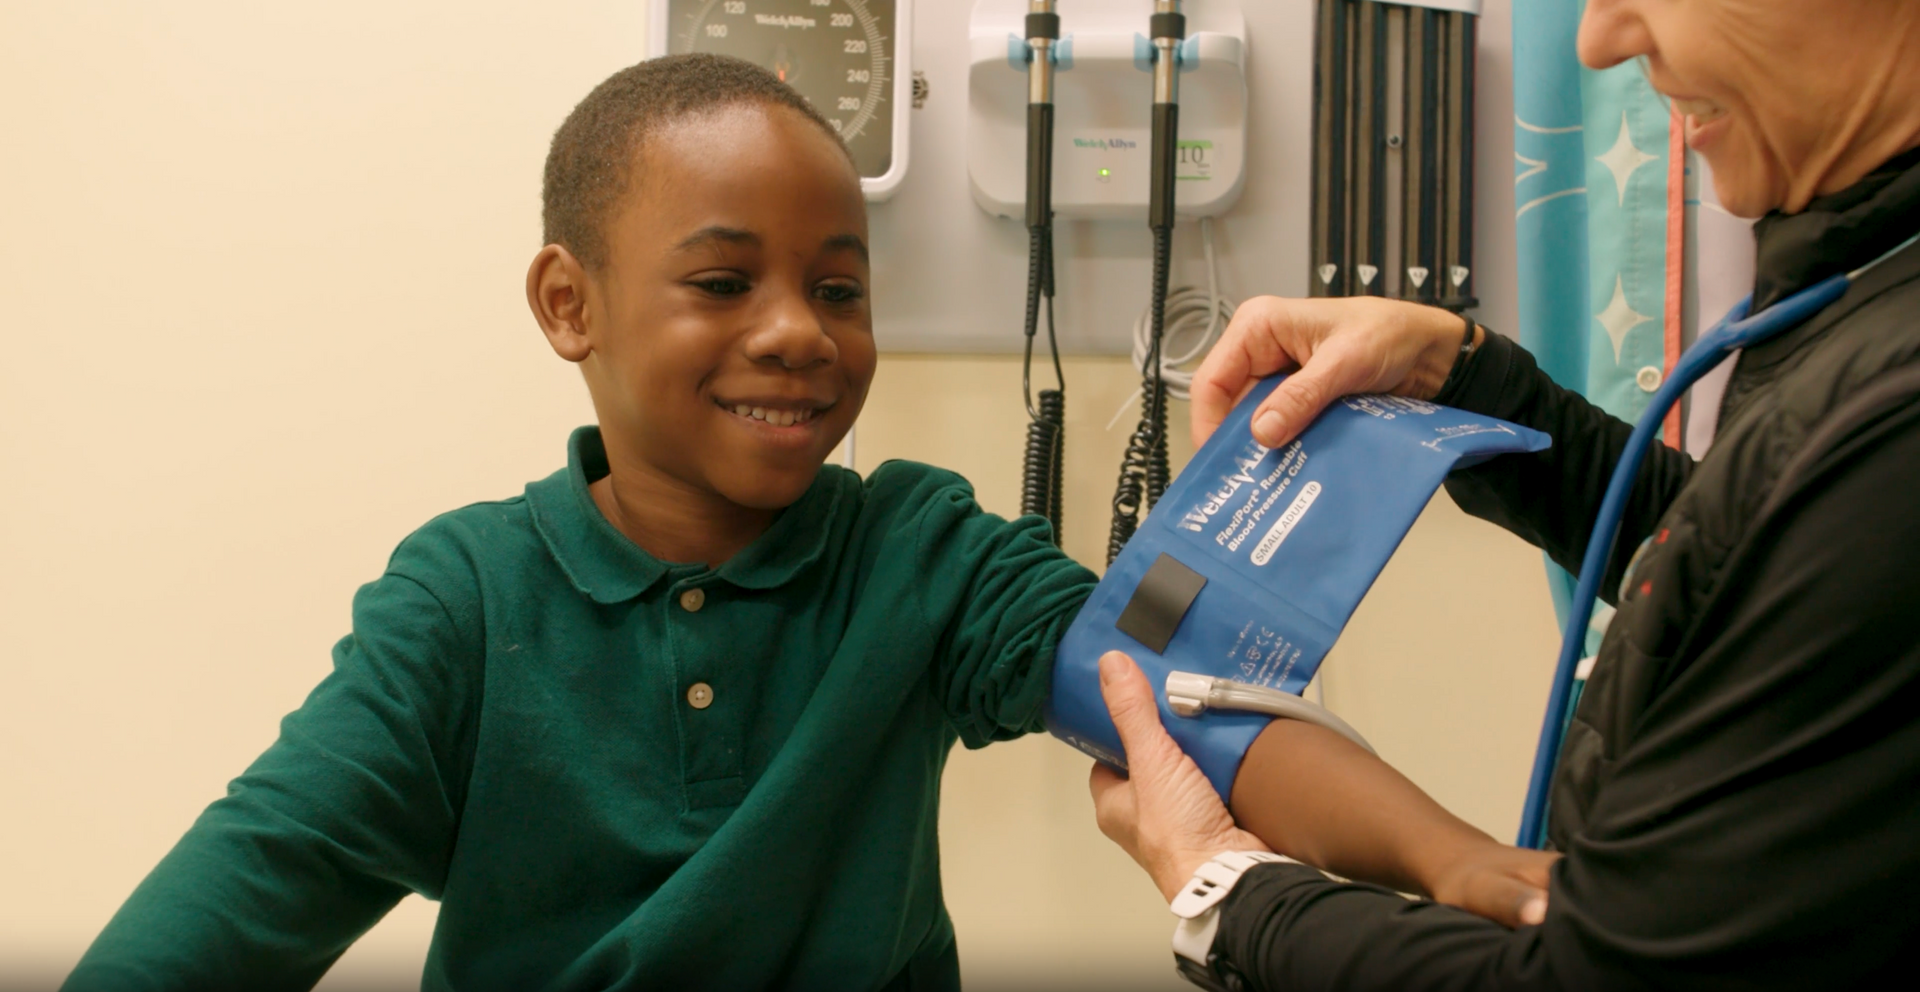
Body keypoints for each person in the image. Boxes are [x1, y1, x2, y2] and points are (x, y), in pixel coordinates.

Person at [62, 54, 1097, 991]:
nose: (798, 331)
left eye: (838, 288)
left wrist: (1259, 473)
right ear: (569, 303)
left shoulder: (917, 549)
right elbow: (260, 870)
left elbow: (1168, 677)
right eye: (723, 282)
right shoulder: (465, 601)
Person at [1087, 0, 1920, 988]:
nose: (1599, 40)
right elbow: (1765, 573)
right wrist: (1469, 379)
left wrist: (1225, 893)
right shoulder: (1861, 286)